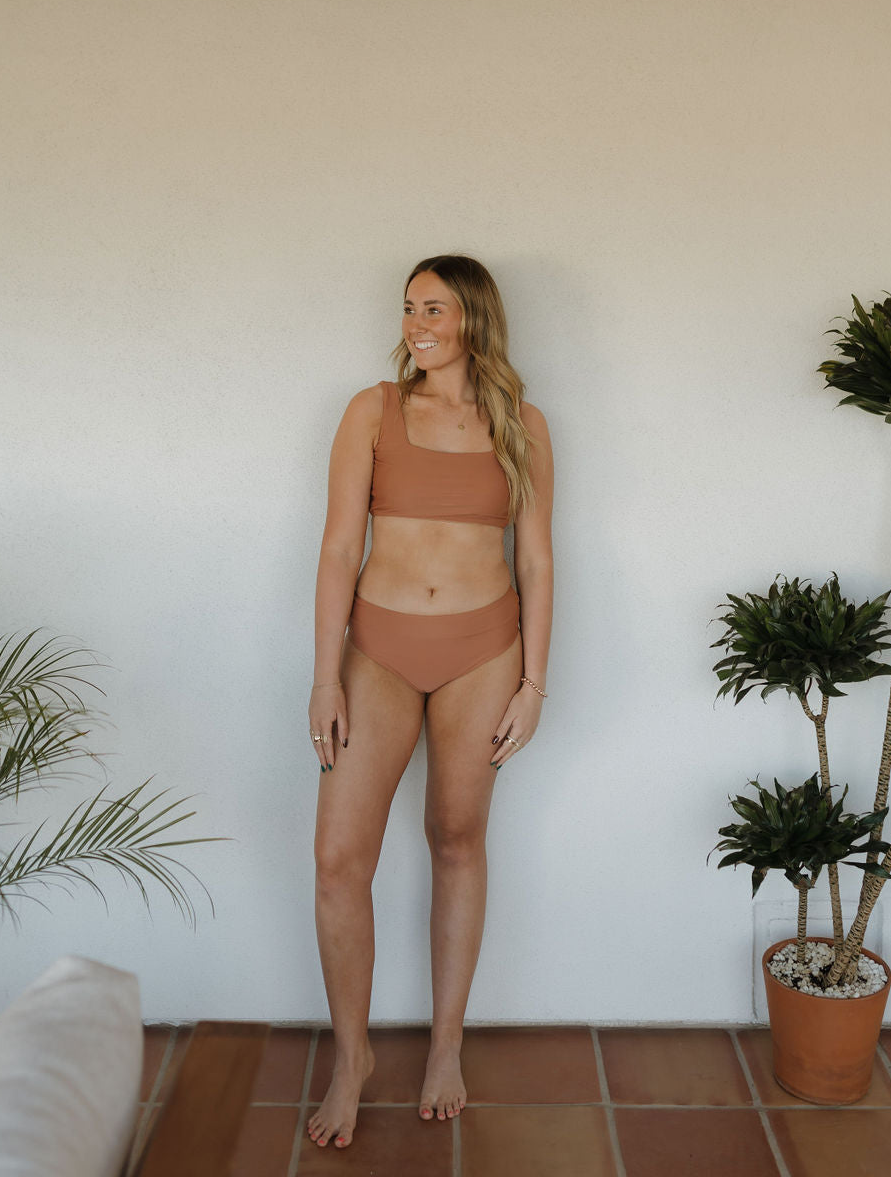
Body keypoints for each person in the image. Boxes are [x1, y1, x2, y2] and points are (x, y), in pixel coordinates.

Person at [306, 254, 554, 1151]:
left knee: (456, 840)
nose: (417, 320)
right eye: (409, 305)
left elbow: (536, 560)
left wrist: (533, 683)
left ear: (473, 319)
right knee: (339, 860)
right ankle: (353, 1056)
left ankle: (446, 1047)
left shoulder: (522, 424)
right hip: (376, 649)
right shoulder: (371, 411)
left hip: (484, 651)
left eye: (434, 307)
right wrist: (326, 673)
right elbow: (339, 548)